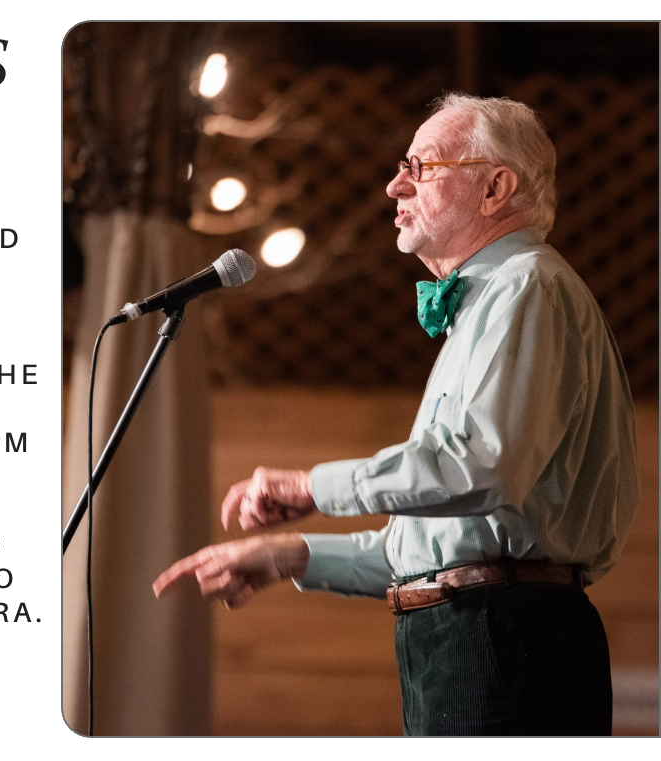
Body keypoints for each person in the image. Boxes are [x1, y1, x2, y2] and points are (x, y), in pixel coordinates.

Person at [152, 93, 639, 736]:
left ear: (496, 187)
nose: (394, 184)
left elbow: (482, 469)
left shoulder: (528, 285)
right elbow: (435, 551)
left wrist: (310, 487)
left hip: (505, 638)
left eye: (422, 165)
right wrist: (288, 555)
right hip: (477, 632)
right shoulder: (496, 300)